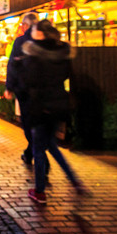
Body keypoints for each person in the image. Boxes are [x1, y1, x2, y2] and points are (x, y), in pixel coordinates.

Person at [22, 19, 84, 204]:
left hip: (41, 105)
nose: (31, 31)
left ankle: (39, 191)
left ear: (40, 33)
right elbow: (68, 76)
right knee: (51, 145)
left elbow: (30, 80)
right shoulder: (62, 52)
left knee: (39, 149)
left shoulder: (34, 53)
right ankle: (75, 181)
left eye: (33, 29)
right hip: (59, 103)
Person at [4, 13, 43, 167]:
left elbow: (12, 66)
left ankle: (41, 161)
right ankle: (30, 152)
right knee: (39, 125)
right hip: (42, 91)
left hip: (25, 90)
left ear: (25, 26)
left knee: (28, 124)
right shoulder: (45, 41)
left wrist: (9, 87)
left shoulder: (20, 41)